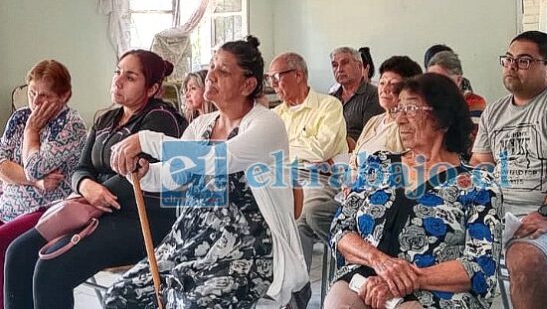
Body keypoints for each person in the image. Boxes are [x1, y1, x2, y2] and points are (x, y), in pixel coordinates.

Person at [105, 36, 309, 308]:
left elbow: (218, 159)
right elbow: (169, 177)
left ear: (248, 84)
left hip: (245, 249)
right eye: (212, 66)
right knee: (118, 297)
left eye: (223, 71)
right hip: (188, 243)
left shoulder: (267, 124)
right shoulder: (201, 125)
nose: (211, 75)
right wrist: (141, 173)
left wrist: (147, 140)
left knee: (188, 305)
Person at [5, 50, 187, 309]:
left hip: (138, 218)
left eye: (130, 77)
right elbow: (81, 168)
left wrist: (93, 191)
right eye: (117, 72)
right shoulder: (106, 118)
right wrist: (86, 186)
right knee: (18, 253)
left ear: (152, 88)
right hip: (90, 209)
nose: (118, 80)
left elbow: (138, 174)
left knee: (51, 269)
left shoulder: (161, 118)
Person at [326, 73, 503, 309]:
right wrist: (379, 262)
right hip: (366, 278)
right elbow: (340, 228)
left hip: (437, 290)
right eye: (399, 109)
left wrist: (409, 279)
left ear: (442, 117)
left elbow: (481, 264)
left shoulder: (478, 183)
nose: (399, 119)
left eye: (410, 108)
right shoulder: (379, 164)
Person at [470, 31, 547, 309]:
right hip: (503, 214)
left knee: (525, 259)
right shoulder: (495, 111)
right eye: (508, 59)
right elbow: (481, 164)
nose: (512, 66)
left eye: (525, 61)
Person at [0, 60, 87, 307]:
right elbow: (1, 164)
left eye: (44, 96)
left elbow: (35, 165)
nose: (35, 102)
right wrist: (35, 182)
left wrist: (31, 133)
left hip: (47, 212)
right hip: (7, 207)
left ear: (64, 96)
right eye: (31, 93)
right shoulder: (19, 118)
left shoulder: (70, 126)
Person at [267, 52, 347, 271]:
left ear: (298, 75)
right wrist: (300, 146)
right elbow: (266, 153)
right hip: (281, 179)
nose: (272, 84)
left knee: (298, 222)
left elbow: (321, 149)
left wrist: (284, 147)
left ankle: (295, 297)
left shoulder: (328, 106)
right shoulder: (274, 115)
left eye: (277, 77)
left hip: (317, 179)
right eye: (269, 78)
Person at [351, 55, 422, 165]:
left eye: (393, 84)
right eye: (382, 83)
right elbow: (354, 158)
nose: (384, 89)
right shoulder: (374, 121)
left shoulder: (408, 126)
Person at [329, 47, 383, 142]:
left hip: (358, 153)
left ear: (359, 66)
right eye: (334, 65)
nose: (339, 69)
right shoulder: (331, 98)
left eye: (345, 63)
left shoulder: (373, 95)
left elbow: (371, 138)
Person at [426, 50, 486, 124]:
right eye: (431, 81)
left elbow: (470, 133)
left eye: (442, 80)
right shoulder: (425, 103)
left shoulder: (475, 102)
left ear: (458, 80)